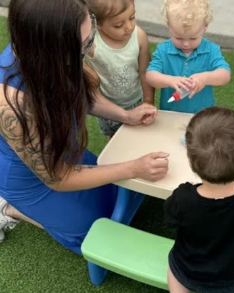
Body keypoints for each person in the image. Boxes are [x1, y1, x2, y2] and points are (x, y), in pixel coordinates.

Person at [0, 0, 169, 254]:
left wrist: (125, 114)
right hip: (32, 177)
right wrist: (134, 167)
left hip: (63, 149)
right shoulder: (11, 104)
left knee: (117, 197)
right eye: (84, 46)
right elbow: (57, 178)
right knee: (96, 235)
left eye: (91, 38)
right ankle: (9, 207)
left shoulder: (52, 43)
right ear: (51, 48)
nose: (90, 53)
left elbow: (79, 93)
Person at [164, 107, 234, 293]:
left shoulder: (184, 196)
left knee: (173, 267)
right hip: (233, 281)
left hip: (187, 273)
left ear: (191, 161)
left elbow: (169, 218)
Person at [146, 0, 231, 114]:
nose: (186, 44)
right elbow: (150, 76)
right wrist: (170, 80)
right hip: (170, 114)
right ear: (169, 27)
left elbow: (225, 74)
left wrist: (205, 78)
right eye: (179, 38)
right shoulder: (163, 50)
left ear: (204, 27)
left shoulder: (211, 50)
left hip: (203, 115)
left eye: (193, 38)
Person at [85, 0, 155, 138]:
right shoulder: (91, 42)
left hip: (136, 101)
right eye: (118, 25)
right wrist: (89, 72)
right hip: (107, 107)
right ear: (97, 24)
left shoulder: (139, 36)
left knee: (138, 137)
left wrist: (148, 101)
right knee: (115, 140)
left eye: (132, 17)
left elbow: (145, 71)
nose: (129, 27)